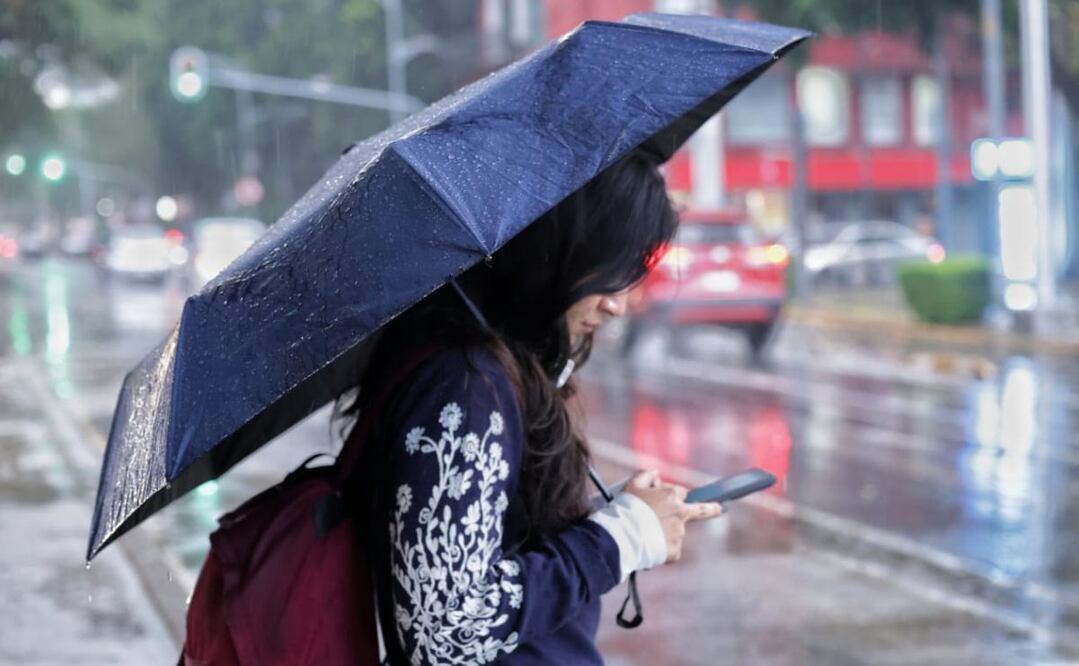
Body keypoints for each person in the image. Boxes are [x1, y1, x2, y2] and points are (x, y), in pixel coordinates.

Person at [337, 152, 726, 665]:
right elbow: (447, 630)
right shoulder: (465, 386)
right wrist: (622, 538)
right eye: (608, 271)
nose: (618, 303)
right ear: (556, 251)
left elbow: (502, 544)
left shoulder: (487, 368)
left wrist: (613, 521)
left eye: (632, 277)